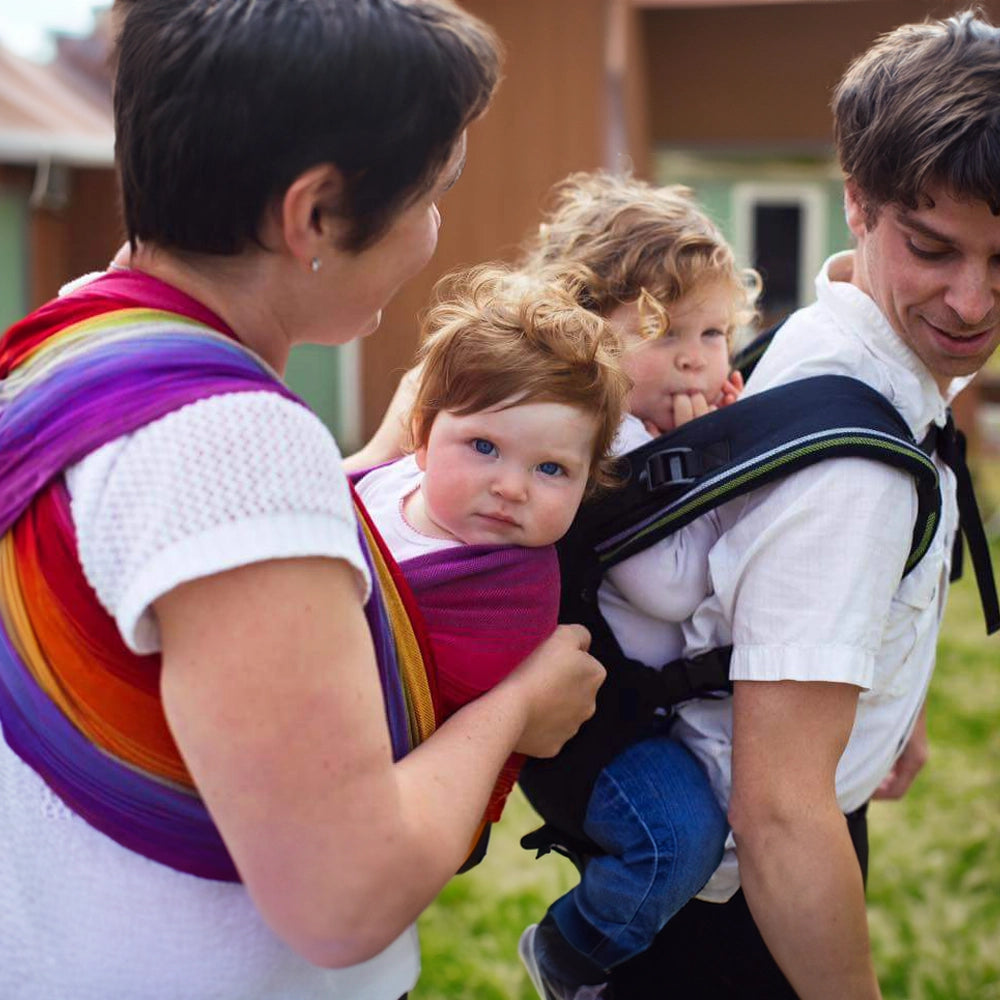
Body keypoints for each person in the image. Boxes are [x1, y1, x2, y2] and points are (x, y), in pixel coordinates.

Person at [0, 3, 607, 999]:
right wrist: (514, 707)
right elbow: (344, 897)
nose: (433, 231)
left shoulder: (71, 342)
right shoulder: (236, 441)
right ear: (314, 213)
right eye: (431, 192)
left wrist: (373, 460)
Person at [603, 10, 1000, 999]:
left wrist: (878, 699)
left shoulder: (827, 339)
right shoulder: (849, 473)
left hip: (757, 849)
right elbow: (778, 815)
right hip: (740, 908)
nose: (971, 301)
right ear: (857, 202)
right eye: (933, 247)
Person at [512, 177, 759, 1000]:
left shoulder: (658, 430)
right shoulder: (606, 443)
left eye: (715, 331)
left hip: (641, 710)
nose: (696, 355)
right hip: (593, 727)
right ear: (588, 340)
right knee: (674, 841)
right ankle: (568, 952)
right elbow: (671, 587)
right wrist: (714, 481)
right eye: (663, 332)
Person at [355, 264, 629, 842]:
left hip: (400, 803)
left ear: (588, 483)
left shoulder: (505, 599)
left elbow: (392, 699)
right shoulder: (391, 480)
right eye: (484, 447)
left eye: (551, 468)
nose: (512, 487)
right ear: (423, 439)